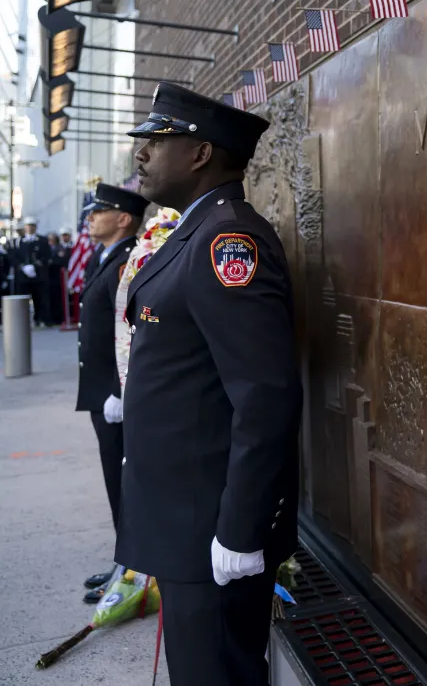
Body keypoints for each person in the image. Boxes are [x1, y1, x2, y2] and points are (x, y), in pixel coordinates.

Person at [117, 82, 302, 686]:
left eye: (156, 140)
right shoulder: (193, 233)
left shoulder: (227, 241)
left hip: (210, 528)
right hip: (184, 519)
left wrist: (240, 530)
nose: (140, 154)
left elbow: (264, 398)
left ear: (200, 154)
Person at [74, 183, 147, 604]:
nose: (90, 218)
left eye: (99, 211)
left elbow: (134, 332)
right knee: (113, 480)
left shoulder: (129, 262)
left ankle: (132, 570)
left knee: (124, 483)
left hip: (116, 397)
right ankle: (125, 563)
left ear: (123, 218)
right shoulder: (106, 258)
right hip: (102, 393)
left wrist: (122, 390)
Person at [14, 218, 51, 326]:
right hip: (24, 276)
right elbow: (15, 257)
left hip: (38, 275)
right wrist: (23, 267)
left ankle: (40, 319)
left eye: (32, 225)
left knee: (40, 298)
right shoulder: (19, 241)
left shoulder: (42, 241)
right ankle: (23, 321)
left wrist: (35, 266)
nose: (30, 228)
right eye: (28, 225)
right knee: (23, 299)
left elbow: (46, 256)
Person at [47, 232, 68, 327]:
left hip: (57, 276)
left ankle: (58, 318)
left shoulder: (59, 248)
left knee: (58, 298)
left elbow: (60, 260)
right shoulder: (47, 248)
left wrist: (52, 262)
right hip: (48, 276)